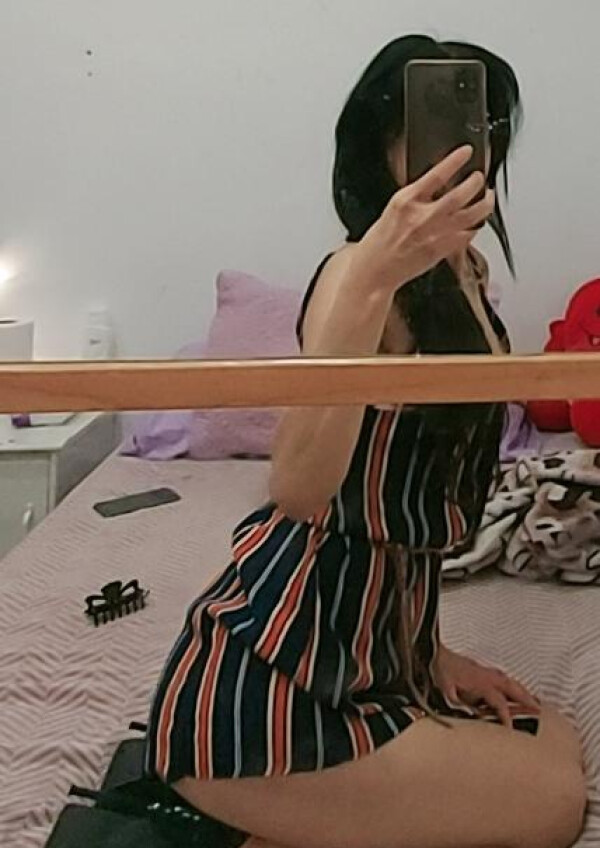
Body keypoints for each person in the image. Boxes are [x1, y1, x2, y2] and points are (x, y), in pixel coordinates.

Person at [145, 35, 587, 848]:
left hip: (374, 656)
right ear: (377, 145)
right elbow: (299, 489)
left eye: (484, 126)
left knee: (551, 740)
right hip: (272, 683)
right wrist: (378, 271)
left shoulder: (466, 273)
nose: (465, 147)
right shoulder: (355, 274)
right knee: (553, 802)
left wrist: (433, 657)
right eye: (427, 126)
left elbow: (403, 517)